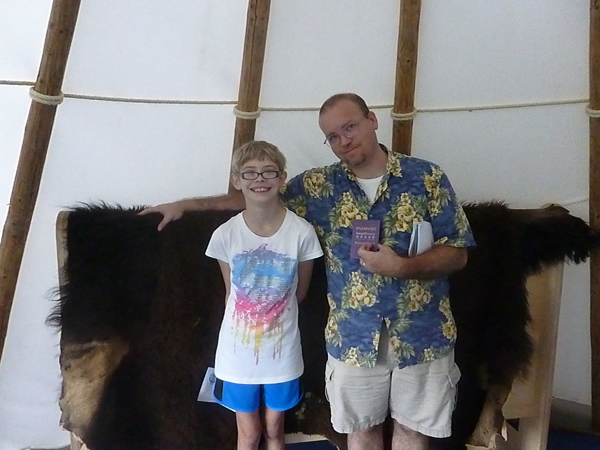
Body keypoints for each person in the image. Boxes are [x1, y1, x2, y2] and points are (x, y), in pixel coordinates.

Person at [141, 93, 475, 450]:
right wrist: (184, 206)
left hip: (423, 334)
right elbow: (256, 195)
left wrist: (402, 266)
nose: (344, 140)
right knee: (361, 432)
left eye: (350, 127)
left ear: (372, 120)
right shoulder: (319, 187)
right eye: (333, 136)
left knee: (412, 432)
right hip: (354, 339)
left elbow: (458, 254)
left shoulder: (426, 177)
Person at [205, 140, 323, 450]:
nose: (260, 179)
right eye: (250, 173)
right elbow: (230, 293)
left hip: (282, 352)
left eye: (269, 172)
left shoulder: (302, 233)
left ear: (282, 178)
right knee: (249, 432)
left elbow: (300, 293)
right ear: (237, 180)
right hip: (236, 355)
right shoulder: (225, 235)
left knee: (275, 428)